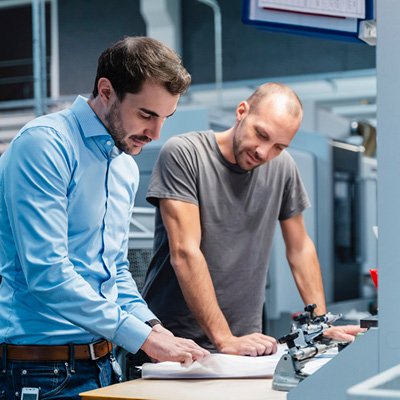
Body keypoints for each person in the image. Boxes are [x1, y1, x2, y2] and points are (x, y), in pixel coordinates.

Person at [0, 36, 209, 400]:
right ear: (107, 91)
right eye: (146, 114)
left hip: (103, 364)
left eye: (165, 118)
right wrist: (141, 337)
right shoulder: (46, 145)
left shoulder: (124, 167)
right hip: (38, 370)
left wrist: (154, 328)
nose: (156, 133)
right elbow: (48, 275)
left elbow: (113, 269)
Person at [142, 82, 361, 356]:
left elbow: (300, 247)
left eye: (279, 146)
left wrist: (319, 324)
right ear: (241, 111)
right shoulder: (185, 154)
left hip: (245, 345)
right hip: (174, 344)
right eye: (261, 134)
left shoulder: (282, 168)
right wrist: (224, 338)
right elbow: (185, 252)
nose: (263, 153)